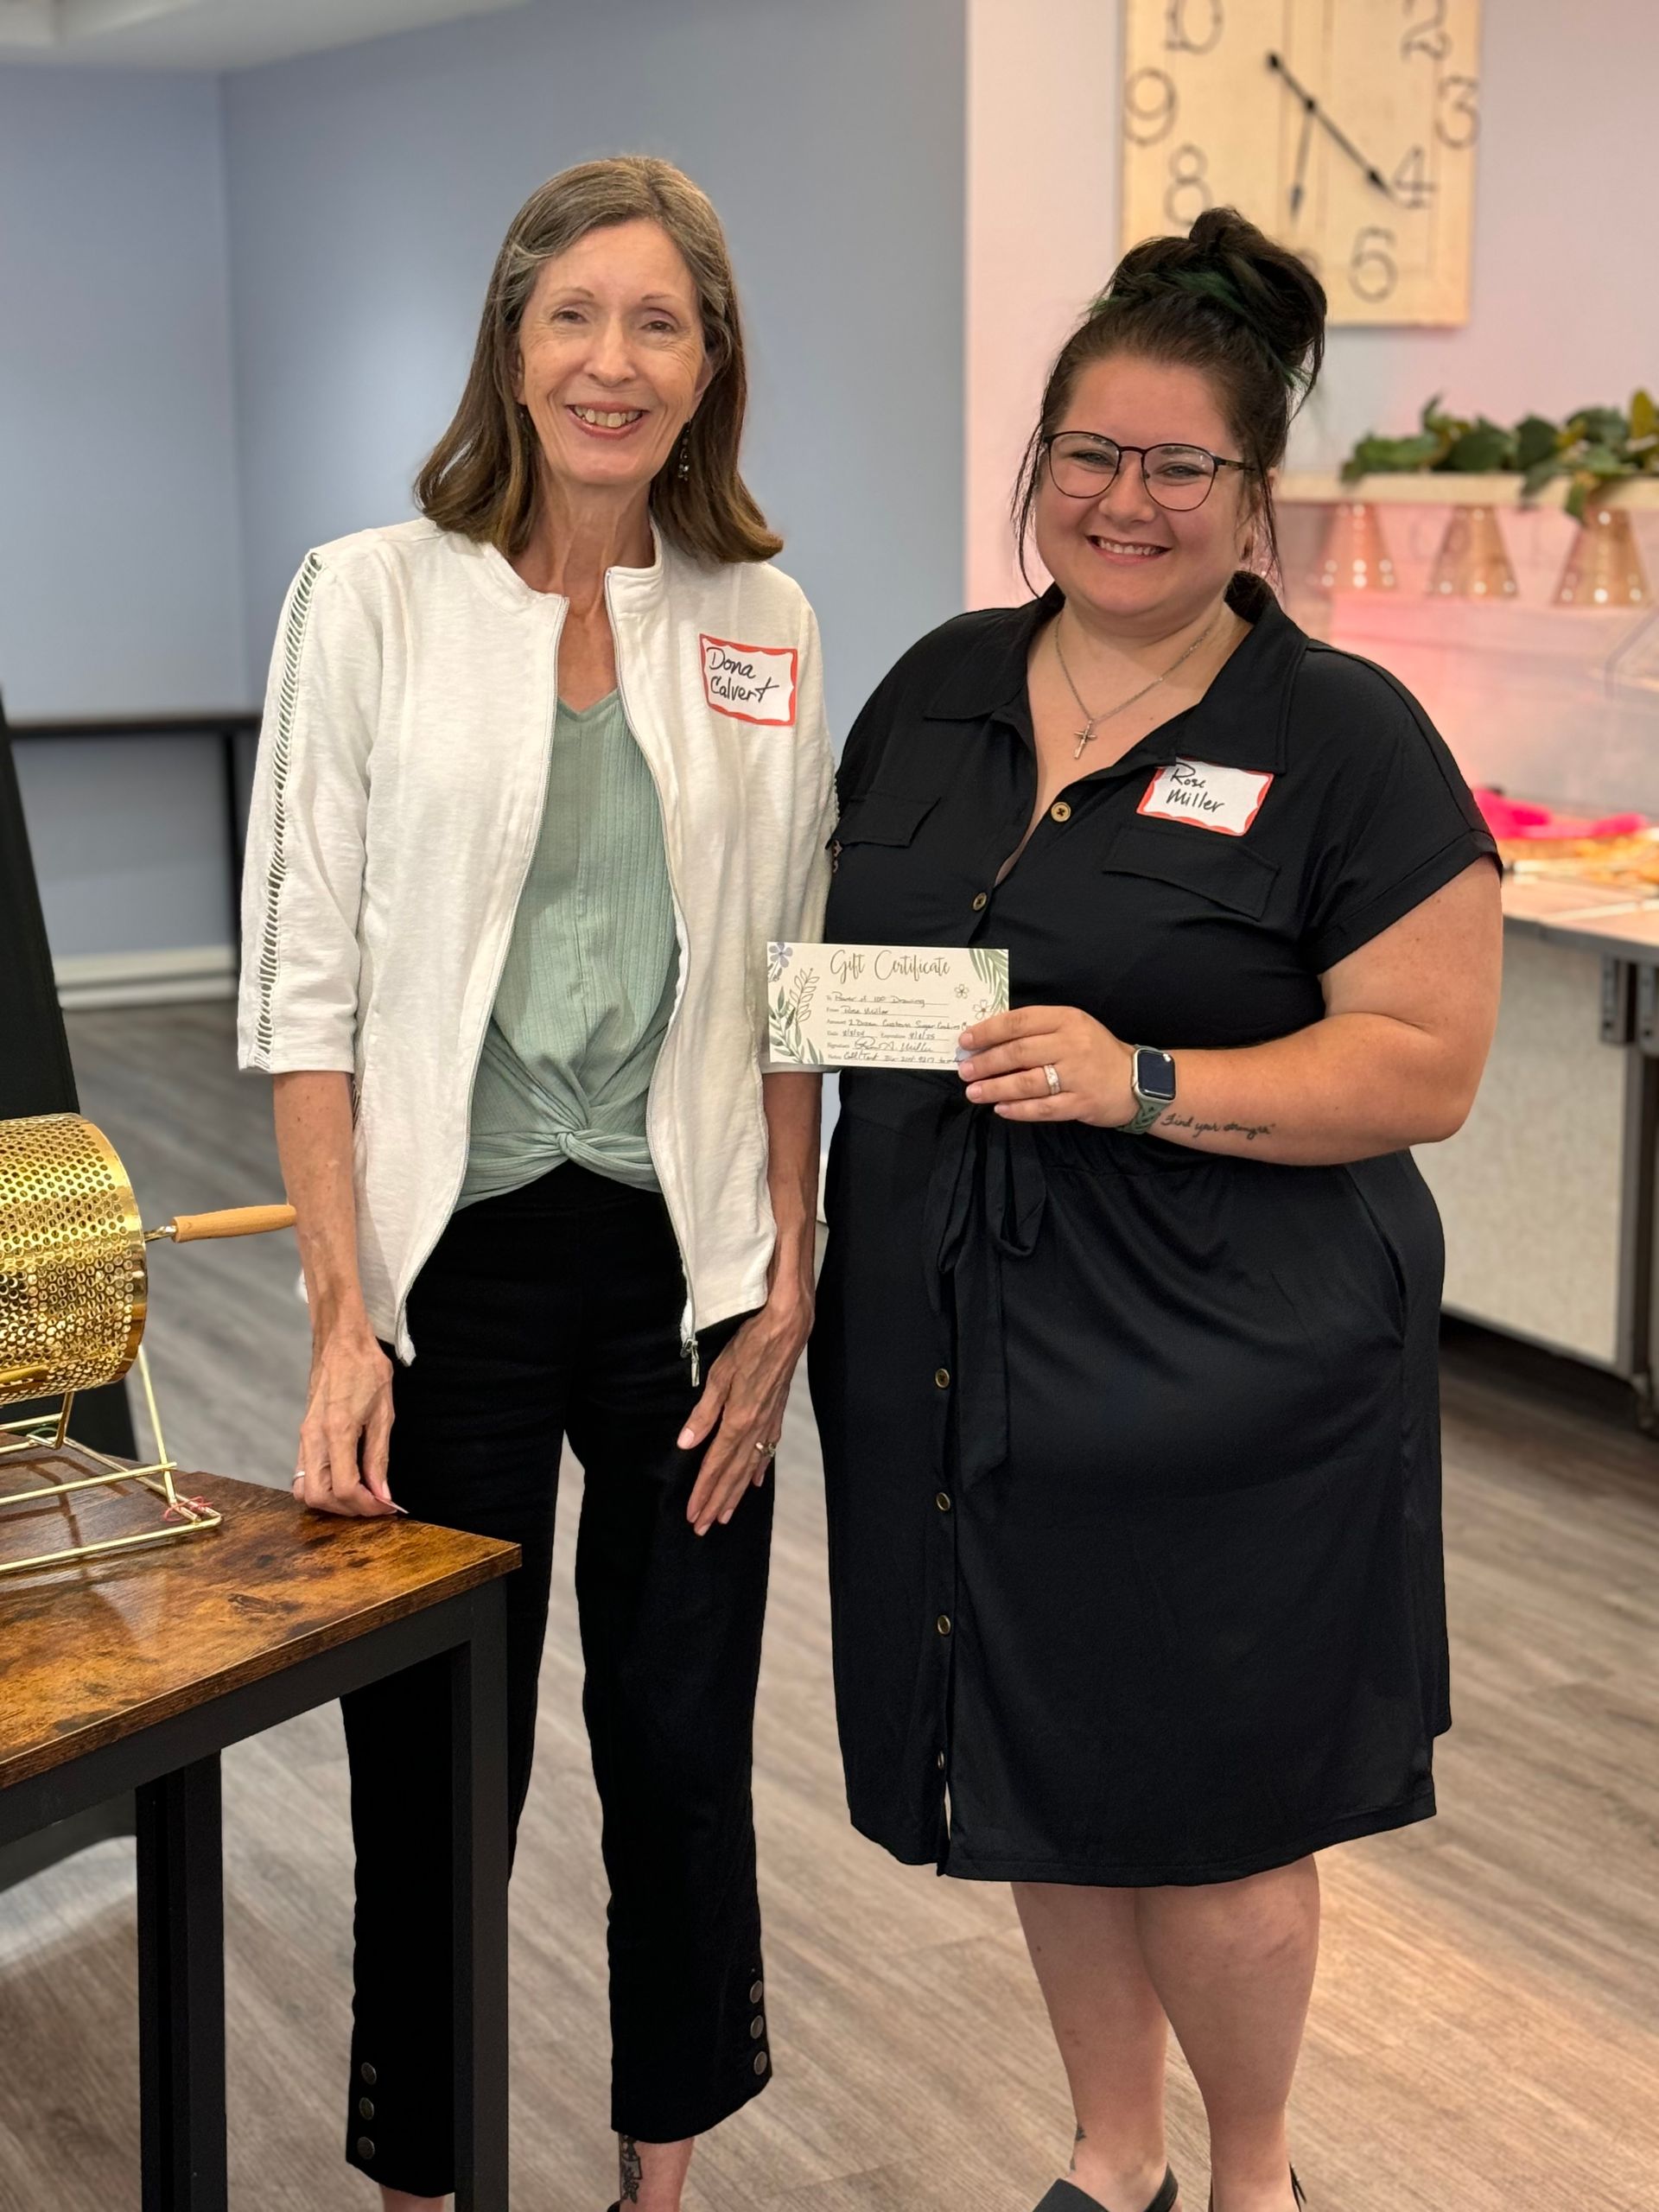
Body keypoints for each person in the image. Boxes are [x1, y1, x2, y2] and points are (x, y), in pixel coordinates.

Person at [809, 207, 1501, 2212]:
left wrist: (1147, 1077)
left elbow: (1426, 1064)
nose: (1126, 501)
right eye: (1088, 457)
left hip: (1226, 1365)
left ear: (1249, 498)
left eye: (1178, 464)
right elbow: (835, 969)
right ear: (1036, 468)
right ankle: (1115, 2159)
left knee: (1207, 1801)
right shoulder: (941, 685)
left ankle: (1256, 2173)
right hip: (960, 1345)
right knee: (1037, 1757)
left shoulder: (1339, 737)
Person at [238, 156, 835, 2212]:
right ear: (512, 342)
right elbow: (302, 985)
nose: (612, 359)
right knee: (435, 1764)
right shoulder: (373, 592)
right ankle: (428, 2181)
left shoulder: (762, 619)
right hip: (452, 1264)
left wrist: (789, 1280)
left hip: (684, 1267)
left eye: (657, 321)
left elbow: (784, 980)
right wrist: (339, 1314)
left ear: (709, 364)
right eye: (574, 314)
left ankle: (657, 2171)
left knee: (678, 1749)